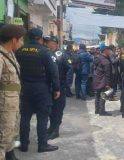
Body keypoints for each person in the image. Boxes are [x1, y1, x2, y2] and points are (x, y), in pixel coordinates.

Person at [16, 28, 60, 153]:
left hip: (24, 88)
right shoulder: (45, 52)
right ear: (40, 38)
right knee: (42, 117)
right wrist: (57, 88)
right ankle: (42, 145)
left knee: (24, 117)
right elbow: (53, 71)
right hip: (41, 88)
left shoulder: (19, 51)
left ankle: (23, 144)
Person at [0, 24, 26, 160]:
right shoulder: (1, 56)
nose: (22, 43)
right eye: (21, 39)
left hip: (12, 104)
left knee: (11, 134)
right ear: (13, 40)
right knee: (2, 139)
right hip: (4, 106)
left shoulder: (10, 54)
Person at [43, 36, 72, 140]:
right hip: (49, 86)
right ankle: (51, 128)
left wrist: (66, 85)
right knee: (50, 109)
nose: (46, 44)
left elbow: (70, 70)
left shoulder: (63, 55)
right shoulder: (46, 54)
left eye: (48, 42)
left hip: (60, 86)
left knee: (57, 110)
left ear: (54, 43)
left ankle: (56, 130)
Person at [93, 46, 113, 116]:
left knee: (97, 95)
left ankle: (97, 110)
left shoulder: (97, 58)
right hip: (102, 81)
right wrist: (107, 84)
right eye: (109, 50)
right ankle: (102, 111)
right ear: (105, 51)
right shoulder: (105, 61)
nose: (110, 52)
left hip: (96, 79)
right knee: (103, 95)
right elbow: (108, 74)